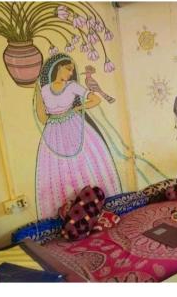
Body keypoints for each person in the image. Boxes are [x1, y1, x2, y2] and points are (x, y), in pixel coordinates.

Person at [34, 53, 122, 219]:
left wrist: (76, 109)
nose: (69, 73)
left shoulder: (72, 86)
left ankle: (99, 207)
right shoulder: (44, 90)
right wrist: (49, 111)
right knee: (58, 169)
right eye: (68, 69)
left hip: (74, 124)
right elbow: (42, 116)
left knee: (86, 161)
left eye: (72, 70)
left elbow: (95, 100)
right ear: (58, 68)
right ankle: (69, 213)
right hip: (53, 131)